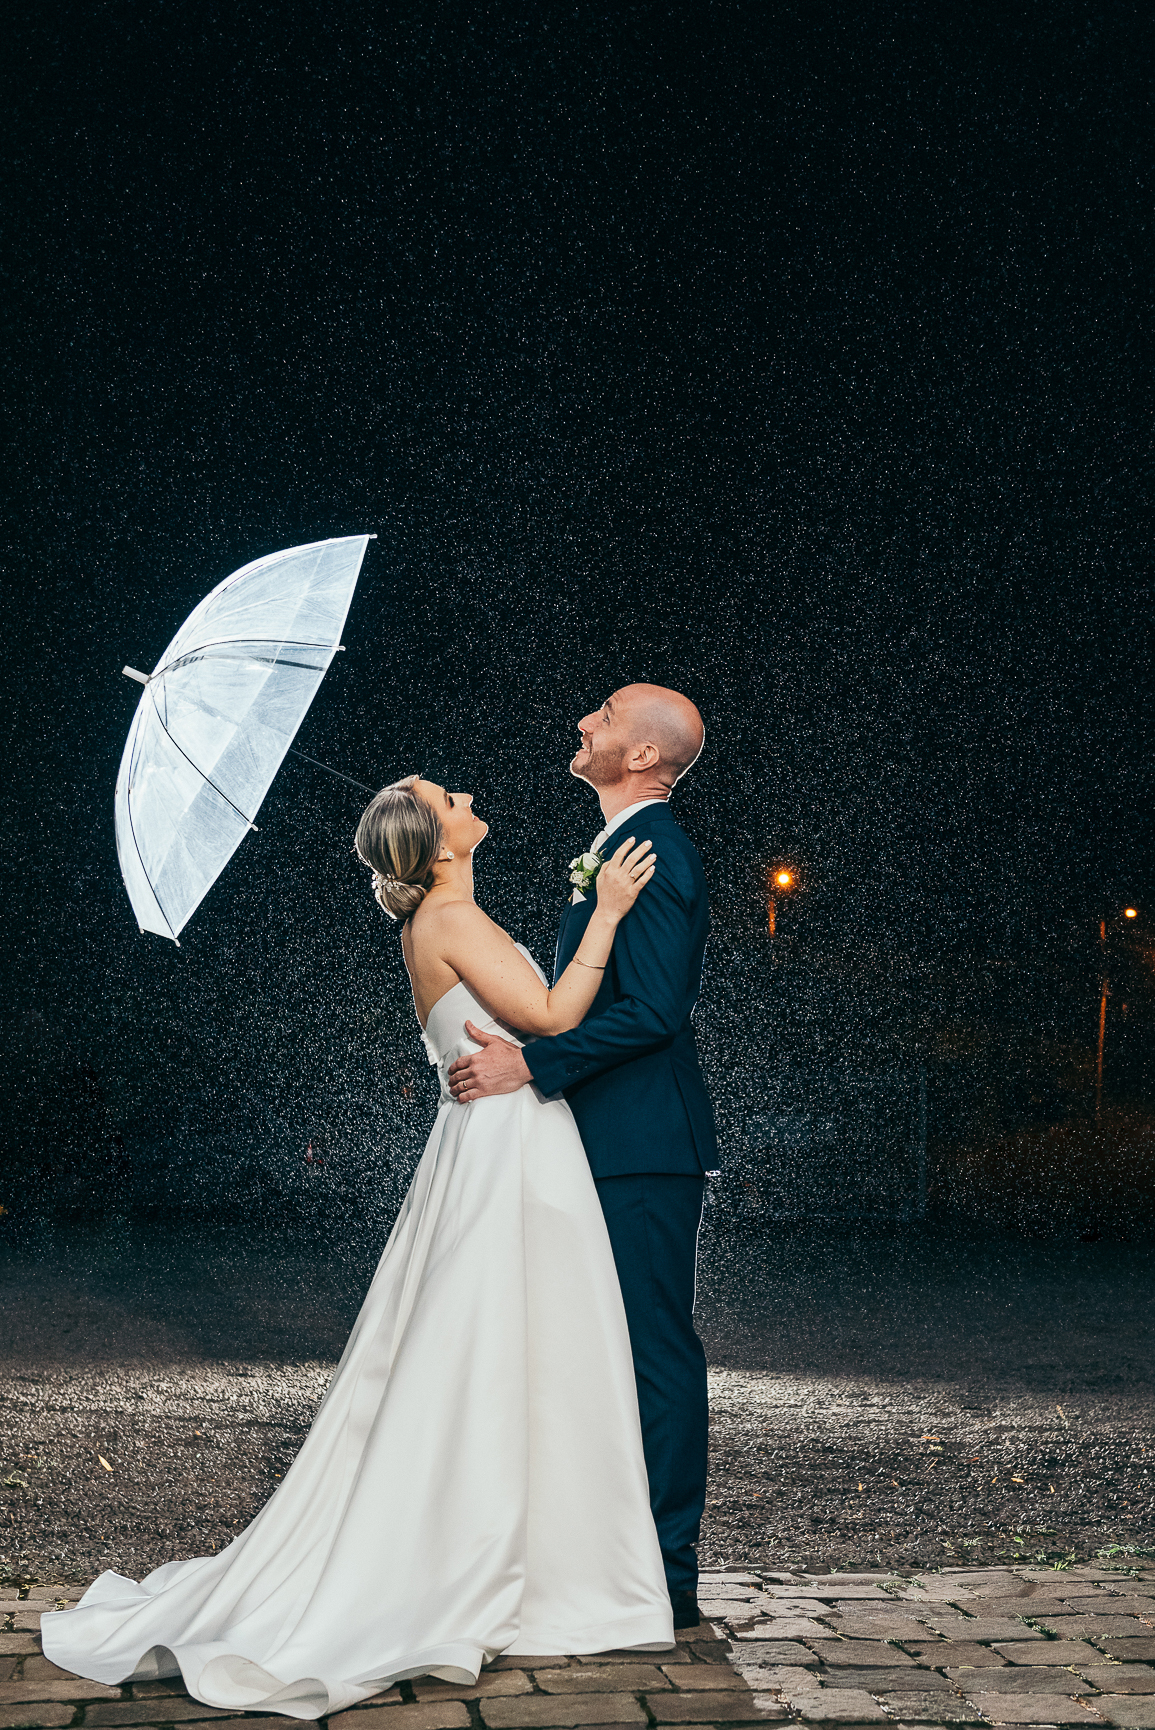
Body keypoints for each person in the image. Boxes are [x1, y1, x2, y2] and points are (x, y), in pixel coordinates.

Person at [42, 779, 672, 1720]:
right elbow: (551, 1019)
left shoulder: (446, 914)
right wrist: (610, 914)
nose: (466, 795)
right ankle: (495, 1559)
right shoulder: (451, 917)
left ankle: (527, 1548)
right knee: (498, 1344)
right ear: (437, 842)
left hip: (495, 1142)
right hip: (507, 1149)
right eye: (448, 797)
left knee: (507, 1344)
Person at [448, 684, 716, 1628]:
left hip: (642, 1142)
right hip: (602, 1136)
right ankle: (607, 1554)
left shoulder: (656, 853)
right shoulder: (612, 855)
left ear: (642, 758)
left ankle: (667, 1574)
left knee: (651, 1348)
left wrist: (534, 1062)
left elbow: (653, 1014)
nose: (581, 724)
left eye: (601, 717)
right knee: (600, 1346)